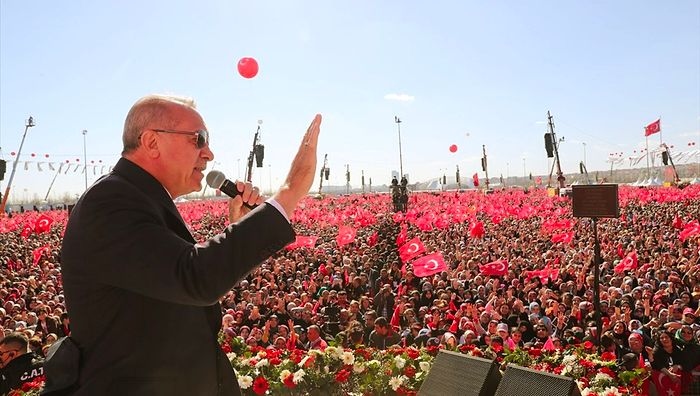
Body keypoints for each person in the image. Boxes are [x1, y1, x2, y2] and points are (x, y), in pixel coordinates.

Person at [43, 94, 322, 396]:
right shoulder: (110, 201)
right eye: (198, 139)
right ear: (151, 142)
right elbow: (193, 276)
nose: (209, 153)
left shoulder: (139, 198)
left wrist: (237, 228)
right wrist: (290, 192)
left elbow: (171, 282)